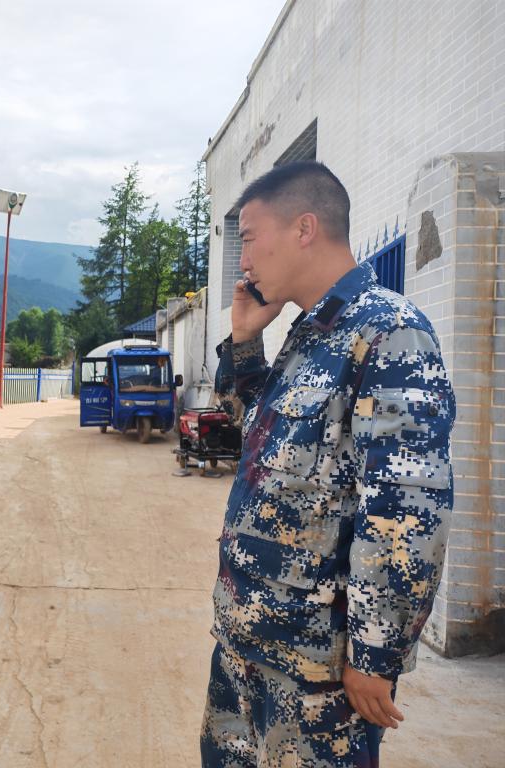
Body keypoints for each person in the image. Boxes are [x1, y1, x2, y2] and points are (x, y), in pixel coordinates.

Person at [200, 161, 455, 766]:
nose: (244, 262)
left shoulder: (389, 333)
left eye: (250, 239)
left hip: (314, 672)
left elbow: (405, 511)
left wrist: (375, 655)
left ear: (304, 228)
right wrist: (244, 342)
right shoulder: (308, 334)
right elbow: (254, 436)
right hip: (247, 641)